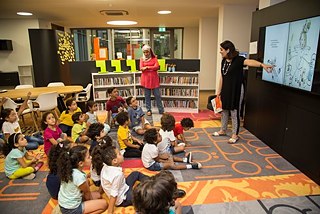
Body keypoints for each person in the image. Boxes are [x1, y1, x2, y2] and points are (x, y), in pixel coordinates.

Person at [213, 40, 272, 144]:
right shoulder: (223, 61)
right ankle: (223, 130)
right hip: (226, 90)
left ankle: (235, 134)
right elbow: (222, 77)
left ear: (228, 50)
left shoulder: (239, 60)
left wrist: (262, 65)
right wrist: (218, 91)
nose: (220, 51)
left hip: (236, 90)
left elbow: (250, 62)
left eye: (221, 49)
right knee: (224, 110)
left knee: (234, 111)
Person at [57, 145, 108, 214]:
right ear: (81, 163)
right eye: (88, 157)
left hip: (64, 204)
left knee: (98, 195)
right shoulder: (79, 176)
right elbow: (87, 194)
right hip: (71, 209)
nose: (91, 158)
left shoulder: (69, 169)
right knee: (104, 204)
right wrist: (91, 203)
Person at [99, 145, 149, 213]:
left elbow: (104, 182)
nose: (122, 154)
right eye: (119, 154)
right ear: (115, 161)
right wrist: (110, 211)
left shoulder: (105, 165)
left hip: (124, 186)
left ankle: (152, 182)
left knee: (135, 173)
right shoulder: (117, 175)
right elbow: (114, 194)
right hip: (123, 198)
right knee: (140, 195)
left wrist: (99, 191)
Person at [139, 44, 164, 115]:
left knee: (157, 95)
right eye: (144, 52)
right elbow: (141, 68)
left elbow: (157, 67)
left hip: (154, 80)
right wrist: (151, 67)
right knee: (147, 96)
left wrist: (147, 67)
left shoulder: (154, 58)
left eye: (147, 52)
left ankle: (161, 110)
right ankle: (148, 110)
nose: (146, 54)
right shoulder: (142, 59)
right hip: (146, 80)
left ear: (150, 52)